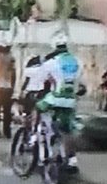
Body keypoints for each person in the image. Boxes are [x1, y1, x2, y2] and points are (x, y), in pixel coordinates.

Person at [34, 41, 83, 171]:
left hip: (55, 98)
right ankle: (72, 160)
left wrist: (34, 92)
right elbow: (80, 84)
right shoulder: (77, 62)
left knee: (38, 108)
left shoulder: (51, 62)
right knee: (68, 130)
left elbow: (38, 81)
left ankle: (39, 146)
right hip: (71, 100)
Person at [0, 45, 17, 139]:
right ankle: (7, 132)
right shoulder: (11, 58)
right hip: (8, 88)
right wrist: (13, 88)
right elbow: (13, 74)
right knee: (7, 111)